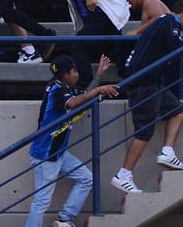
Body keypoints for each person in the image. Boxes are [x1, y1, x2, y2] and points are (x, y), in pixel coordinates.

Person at [109, 0, 183, 193]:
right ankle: (123, 174)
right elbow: (176, 49)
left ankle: (167, 152)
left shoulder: (166, 24)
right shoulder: (169, 22)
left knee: (178, 111)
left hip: (153, 82)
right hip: (144, 84)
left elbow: (172, 43)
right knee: (144, 131)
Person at [24, 56, 118, 227]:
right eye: (74, 71)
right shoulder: (56, 89)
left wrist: (98, 77)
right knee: (42, 201)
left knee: (86, 178)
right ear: (64, 75)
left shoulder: (63, 87)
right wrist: (98, 90)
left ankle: (64, 219)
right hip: (46, 153)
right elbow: (74, 103)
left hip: (58, 152)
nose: (77, 74)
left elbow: (83, 97)